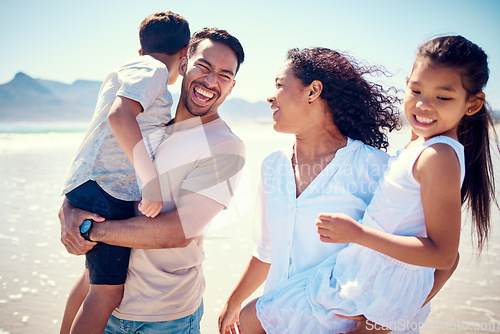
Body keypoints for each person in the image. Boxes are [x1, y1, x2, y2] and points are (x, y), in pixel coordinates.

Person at [243, 36, 497, 333]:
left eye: (443, 97)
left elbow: (445, 257)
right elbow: (267, 250)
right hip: (351, 281)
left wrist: (384, 320)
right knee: (251, 317)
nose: (423, 105)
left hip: (364, 292)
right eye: (416, 90)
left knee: (252, 318)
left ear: (473, 104)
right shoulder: (418, 147)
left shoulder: (435, 156)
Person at [59, 27, 245, 334]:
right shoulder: (148, 122)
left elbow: (178, 232)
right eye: (204, 67)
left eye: (224, 75)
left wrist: (88, 229)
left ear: (232, 86)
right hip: (103, 302)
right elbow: (97, 165)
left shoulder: (224, 146)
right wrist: (67, 209)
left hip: (163, 318)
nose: (211, 82)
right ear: (184, 63)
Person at [59, 11, 190, 334]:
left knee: (92, 281)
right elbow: (120, 117)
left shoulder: (131, 70)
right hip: (107, 189)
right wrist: (150, 181)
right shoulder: (154, 69)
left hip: (92, 184)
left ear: (141, 48)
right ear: (185, 54)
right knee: (106, 293)